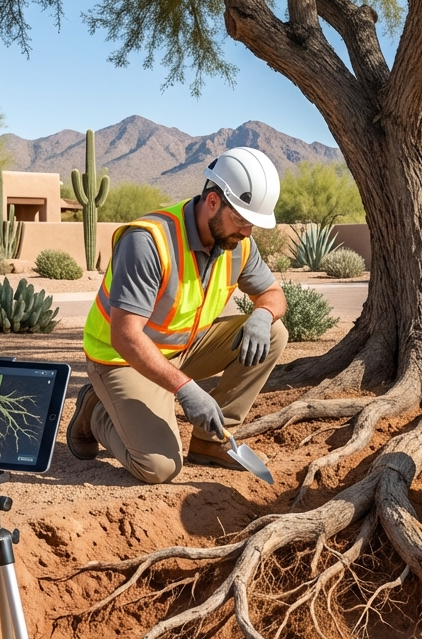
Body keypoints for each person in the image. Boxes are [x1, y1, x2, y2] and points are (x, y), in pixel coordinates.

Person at [66, 147, 289, 484]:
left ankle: (212, 441)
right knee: (159, 467)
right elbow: (126, 336)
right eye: (242, 220)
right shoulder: (148, 241)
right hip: (121, 357)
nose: (247, 233)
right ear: (213, 202)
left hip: (183, 348)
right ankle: (96, 410)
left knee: (273, 332)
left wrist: (262, 314)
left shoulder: (238, 243)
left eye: (253, 224)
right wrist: (186, 389)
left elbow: (272, 295)